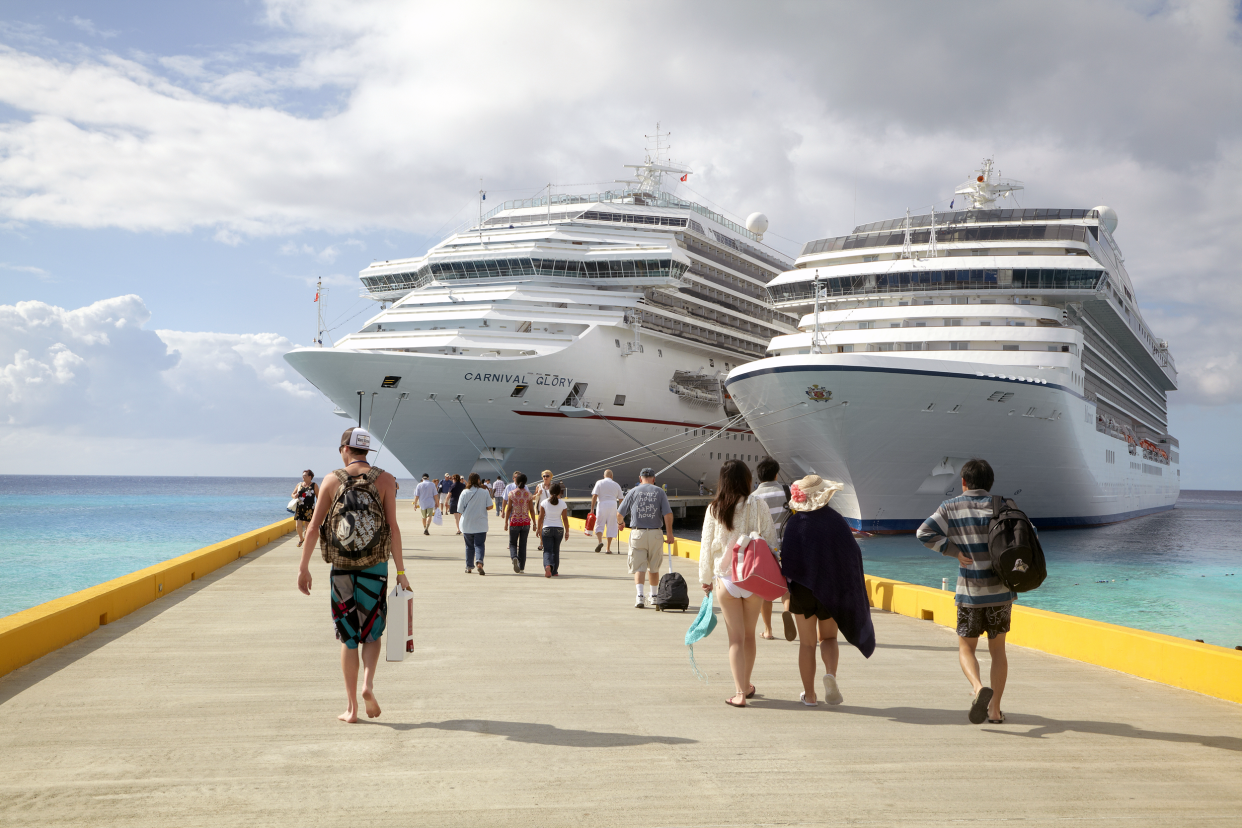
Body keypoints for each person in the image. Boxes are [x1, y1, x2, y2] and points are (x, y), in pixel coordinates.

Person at [297, 426, 409, 724]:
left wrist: (303, 567)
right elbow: (393, 529)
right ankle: (368, 684)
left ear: (343, 449)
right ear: (367, 451)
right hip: (375, 566)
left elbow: (313, 528)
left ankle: (351, 709)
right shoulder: (385, 479)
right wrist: (401, 572)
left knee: (348, 638)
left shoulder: (332, 479)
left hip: (342, 568)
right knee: (372, 632)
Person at [916, 458, 1014, 725]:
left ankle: (978, 687)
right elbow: (1028, 537)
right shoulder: (1003, 506)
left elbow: (923, 533)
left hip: (970, 593)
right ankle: (995, 711)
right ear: (990, 483)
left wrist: (954, 551)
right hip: (1001, 592)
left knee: (966, 648)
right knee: (998, 651)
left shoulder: (950, 507)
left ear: (963, 482)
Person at [779, 474, 876, 706]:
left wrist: (788, 591)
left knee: (807, 643)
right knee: (829, 637)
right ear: (824, 496)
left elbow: (788, 563)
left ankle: (810, 696)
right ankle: (830, 674)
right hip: (830, 587)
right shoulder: (836, 521)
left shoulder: (794, 524)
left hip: (802, 590)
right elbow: (852, 555)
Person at [697, 459, 776, 707]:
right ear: (746, 480)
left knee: (735, 639)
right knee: (750, 636)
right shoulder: (758, 504)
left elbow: (706, 545)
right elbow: (771, 539)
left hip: (727, 578)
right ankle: (747, 683)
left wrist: (705, 578)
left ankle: (740, 693)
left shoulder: (715, 508)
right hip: (752, 577)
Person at [617, 467, 674, 608]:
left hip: (638, 533)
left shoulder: (633, 491)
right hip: (655, 533)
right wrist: (670, 533)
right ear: (654, 479)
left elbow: (619, 514)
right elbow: (668, 514)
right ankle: (654, 596)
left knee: (639, 566)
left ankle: (640, 596)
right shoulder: (659, 492)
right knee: (654, 566)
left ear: (640, 478)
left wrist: (620, 523)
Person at [752, 457, 793, 641]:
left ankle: (768, 630)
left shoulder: (753, 498)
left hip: (765, 548)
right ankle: (786, 611)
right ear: (776, 474)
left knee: (766, 588)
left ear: (759, 476)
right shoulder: (787, 491)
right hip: (788, 545)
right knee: (787, 585)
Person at [457, 472, 494, 574]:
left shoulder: (464, 492)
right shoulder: (484, 492)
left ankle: (469, 567)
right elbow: (490, 506)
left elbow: (460, 509)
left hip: (467, 524)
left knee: (469, 546)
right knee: (479, 545)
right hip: (480, 524)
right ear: (478, 480)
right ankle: (479, 562)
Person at [504, 471, 537, 573]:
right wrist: (535, 523)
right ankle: (521, 567)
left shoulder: (511, 494)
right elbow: (531, 510)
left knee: (513, 543)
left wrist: (506, 522)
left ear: (516, 481)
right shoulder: (528, 494)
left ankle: (514, 557)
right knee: (523, 545)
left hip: (514, 521)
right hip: (525, 522)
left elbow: (509, 509)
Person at [537, 481, 569, 577]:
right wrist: (567, 531)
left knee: (547, 550)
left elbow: (540, 517)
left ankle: (548, 565)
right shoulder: (563, 504)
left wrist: (539, 529)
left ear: (550, 492)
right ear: (560, 492)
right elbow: (564, 518)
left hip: (547, 528)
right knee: (556, 550)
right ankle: (554, 572)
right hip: (559, 529)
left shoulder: (544, 502)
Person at [589, 469, 624, 554]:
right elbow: (621, 499)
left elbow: (594, 496)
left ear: (604, 476)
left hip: (602, 504)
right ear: (612, 476)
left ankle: (600, 542)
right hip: (613, 505)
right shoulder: (616, 485)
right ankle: (608, 549)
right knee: (611, 526)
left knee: (599, 524)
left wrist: (592, 508)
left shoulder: (599, 483)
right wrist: (621, 512)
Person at [291, 470, 319, 547]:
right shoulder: (299, 484)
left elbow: (318, 497)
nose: (303, 477)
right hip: (299, 507)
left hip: (310, 508)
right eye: (302, 475)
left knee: (308, 527)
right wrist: (294, 496)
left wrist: (317, 507)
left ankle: (306, 541)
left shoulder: (314, 485)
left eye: (305, 475)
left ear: (310, 477)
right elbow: (292, 494)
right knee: (298, 526)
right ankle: (301, 538)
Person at [534, 470, 555, 551]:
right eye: (544, 476)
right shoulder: (539, 486)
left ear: (550, 477)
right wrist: (538, 494)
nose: (545, 477)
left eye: (547, 476)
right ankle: (541, 543)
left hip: (552, 509)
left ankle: (550, 543)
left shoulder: (553, 486)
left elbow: (559, 497)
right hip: (541, 509)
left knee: (550, 527)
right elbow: (533, 497)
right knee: (542, 527)